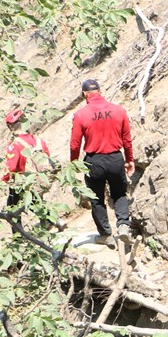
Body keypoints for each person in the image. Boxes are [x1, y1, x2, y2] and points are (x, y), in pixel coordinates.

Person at [70, 78, 134, 246]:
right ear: (100, 90)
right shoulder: (118, 110)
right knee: (119, 193)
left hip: (94, 161)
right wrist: (129, 160)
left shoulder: (81, 115)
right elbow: (127, 139)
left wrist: (73, 163)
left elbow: (75, 144)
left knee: (97, 198)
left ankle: (106, 235)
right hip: (115, 158)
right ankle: (123, 226)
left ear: (85, 94)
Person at [1, 108, 50, 208]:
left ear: (10, 127)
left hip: (24, 183)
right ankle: (56, 222)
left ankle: (55, 221)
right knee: (37, 205)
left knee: (12, 208)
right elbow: (48, 156)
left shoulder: (14, 145)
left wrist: (4, 180)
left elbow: (11, 167)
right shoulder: (38, 141)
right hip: (40, 179)